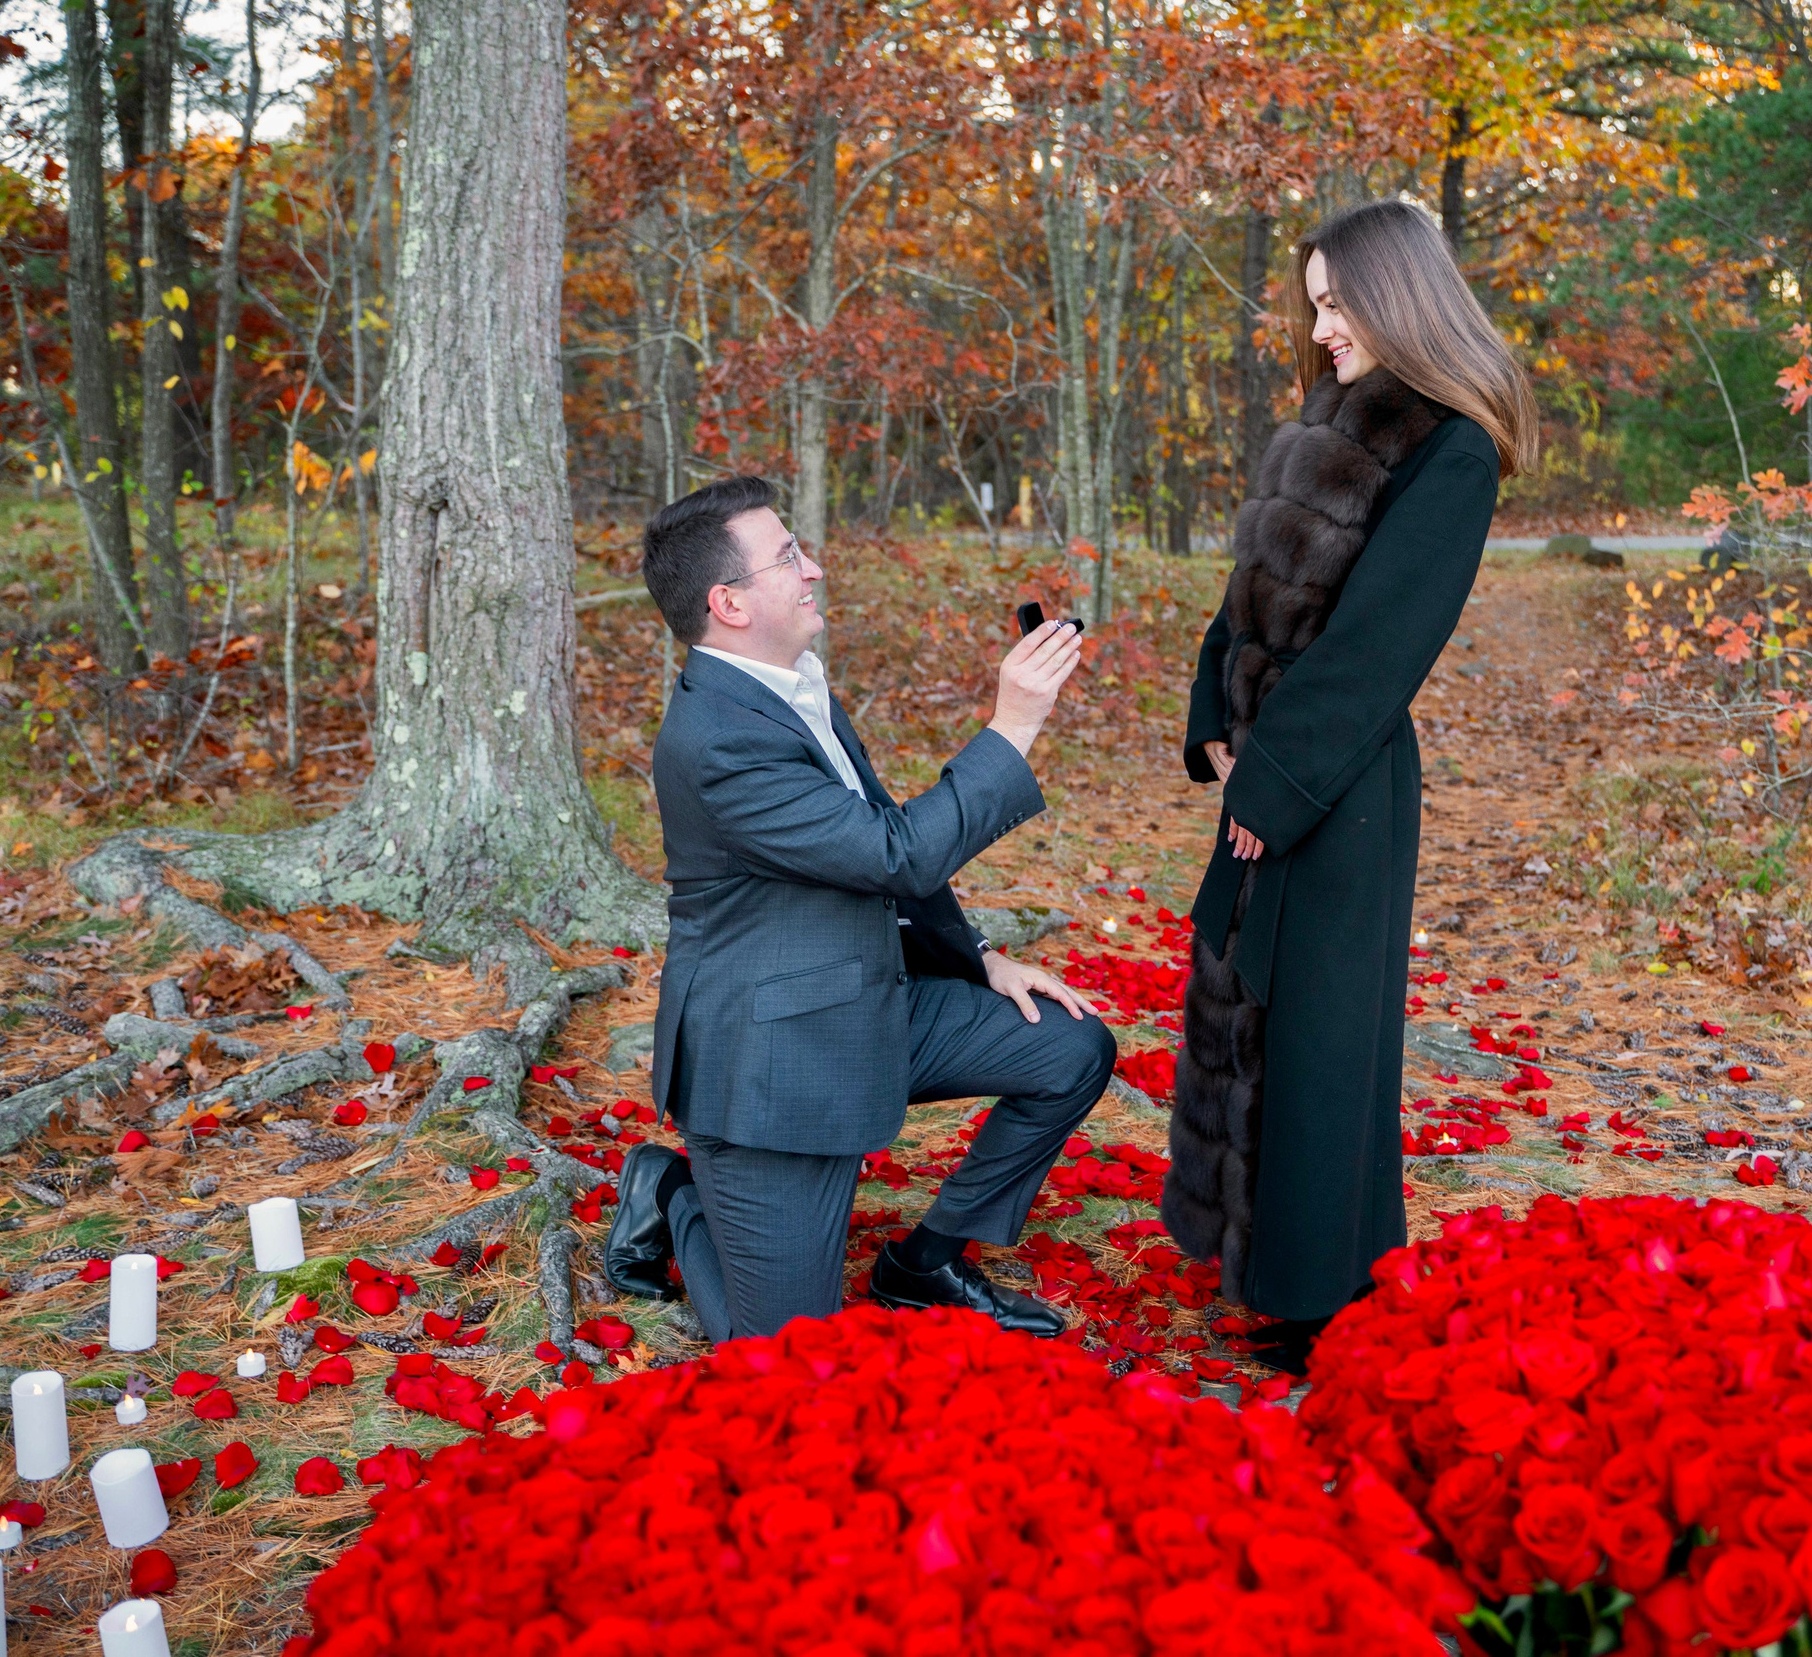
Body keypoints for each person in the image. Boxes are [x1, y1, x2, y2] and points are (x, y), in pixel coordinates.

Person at [1160, 199, 1543, 1375]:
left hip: (1341, 779)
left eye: (1337, 304)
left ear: (1397, 300)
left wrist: (1270, 791)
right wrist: (1213, 726)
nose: (1320, 326)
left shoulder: (1453, 449)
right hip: (1270, 760)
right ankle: (1260, 1260)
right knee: (1251, 998)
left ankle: (1327, 1290)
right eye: (1314, 303)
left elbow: (1378, 647)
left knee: (1326, 1033)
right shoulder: (1326, 423)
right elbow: (1249, 594)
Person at [604, 474, 1115, 1341]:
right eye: (790, 557)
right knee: (780, 1352)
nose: (816, 569)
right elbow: (898, 852)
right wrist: (1015, 721)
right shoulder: (718, 740)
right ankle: (675, 1192)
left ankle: (925, 1264)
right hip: (771, 1060)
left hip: (864, 998)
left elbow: (878, 850)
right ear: (728, 602)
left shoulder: (791, 683)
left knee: (1070, 1047)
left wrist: (981, 958)